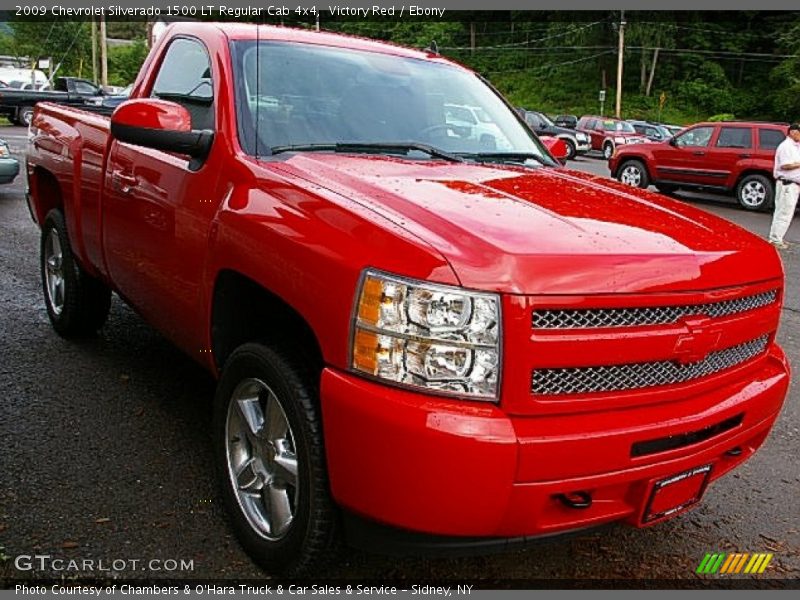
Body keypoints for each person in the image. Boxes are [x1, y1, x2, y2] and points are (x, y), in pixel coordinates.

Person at [768, 123, 800, 249]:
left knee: (784, 211)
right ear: (793, 132)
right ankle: (775, 239)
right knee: (784, 212)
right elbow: (785, 165)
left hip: (792, 185)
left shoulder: (795, 147)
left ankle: (776, 237)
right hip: (787, 184)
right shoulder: (786, 146)